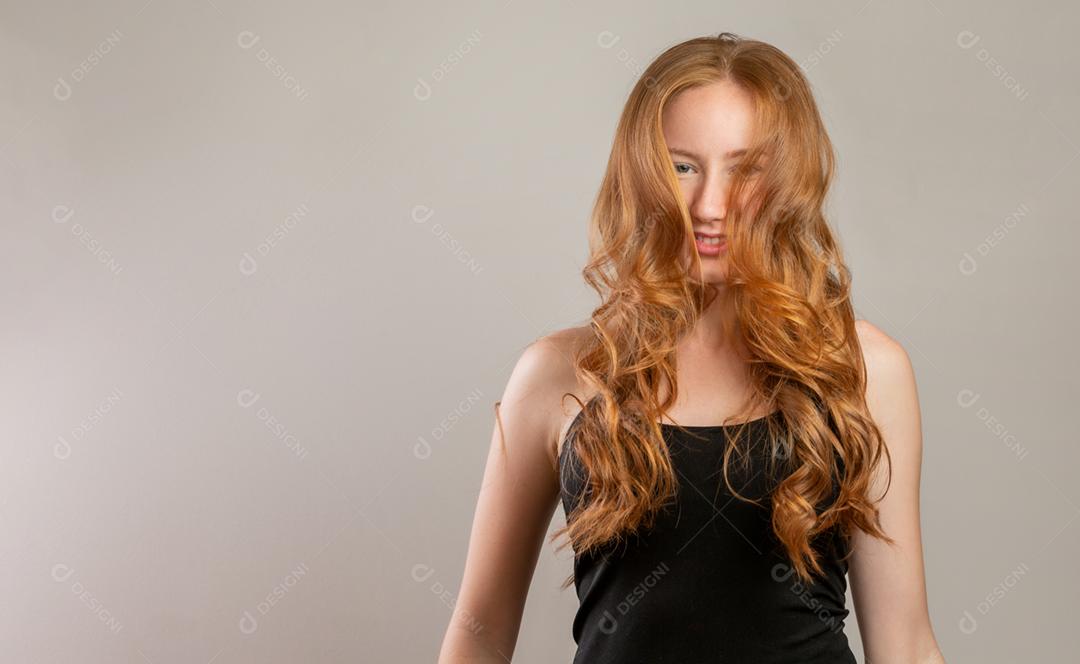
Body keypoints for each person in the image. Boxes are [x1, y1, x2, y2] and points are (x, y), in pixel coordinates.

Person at [438, 32, 945, 663]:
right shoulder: (556, 374)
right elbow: (479, 632)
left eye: (746, 169)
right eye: (682, 166)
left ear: (788, 181)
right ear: (643, 176)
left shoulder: (865, 370)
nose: (710, 205)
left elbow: (905, 644)